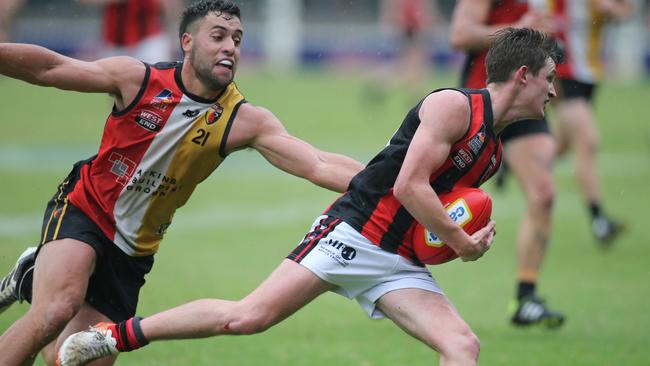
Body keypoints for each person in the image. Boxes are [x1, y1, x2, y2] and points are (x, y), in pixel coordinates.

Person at [58, 27, 562, 366]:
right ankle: (110, 336)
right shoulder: (453, 106)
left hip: (399, 261)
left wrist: (450, 242)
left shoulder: (493, 152)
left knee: (461, 345)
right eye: (550, 78)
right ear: (523, 76)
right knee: (248, 317)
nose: (554, 92)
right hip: (352, 232)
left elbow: (428, 221)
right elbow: (410, 187)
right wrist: (460, 239)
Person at [0, 1, 364, 365]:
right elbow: (51, 67)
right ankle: (43, 282)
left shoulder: (244, 119)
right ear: (187, 42)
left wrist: (391, 186)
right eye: (218, 37)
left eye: (236, 40)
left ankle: (31, 278)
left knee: (63, 356)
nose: (229, 48)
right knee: (54, 312)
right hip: (86, 208)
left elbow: (318, 163)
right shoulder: (137, 79)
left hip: (133, 251)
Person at [450, 0, 565, 328]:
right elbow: (460, 34)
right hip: (486, 99)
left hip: (528, 101)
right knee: (438, 190)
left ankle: (526, 297)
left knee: (544, 193)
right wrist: (519, 34)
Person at [551, 0, 631, 246]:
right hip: (561, 68)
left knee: (562, 145)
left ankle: (511, 160)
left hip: (590, 72)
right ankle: (599, 220)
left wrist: (612, 9)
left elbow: (626, 10)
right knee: (587, 140)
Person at [78, 0, 183, 63]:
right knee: (117, 91)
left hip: (148, 41)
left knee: (157, 87)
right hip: (116, 43)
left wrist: (172, 38)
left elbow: (170, 6)